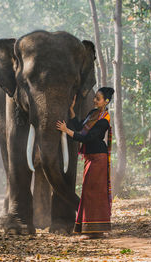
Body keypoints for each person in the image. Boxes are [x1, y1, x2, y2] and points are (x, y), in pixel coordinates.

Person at [56, 87, 114, 240]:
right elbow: (81, 128)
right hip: (90, 157)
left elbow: (87, 138)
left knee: (92, 193)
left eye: (98, 98)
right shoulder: (92, 114)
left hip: (98, 158)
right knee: (89, 192)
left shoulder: (104, 120)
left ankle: (93, 231)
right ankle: (92, 230)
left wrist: (66, 130)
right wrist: (71, 110)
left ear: (106, 101)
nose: (94, 100)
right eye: (95, 97)